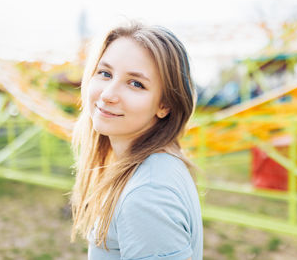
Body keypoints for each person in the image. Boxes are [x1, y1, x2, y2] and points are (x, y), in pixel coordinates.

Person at [69, 20, 203, 260]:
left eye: (136, 83)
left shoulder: (148, 194)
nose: (108, 94)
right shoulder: (156, 166)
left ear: (165, 105)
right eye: (105, 73)